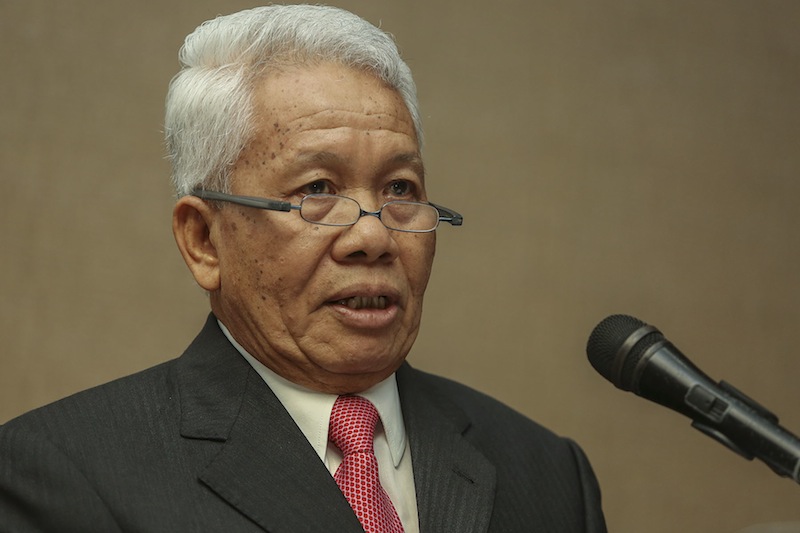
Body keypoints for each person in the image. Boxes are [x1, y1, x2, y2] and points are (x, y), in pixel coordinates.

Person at [0, 5, 607, 532]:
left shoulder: (546, 473)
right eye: (317, 189)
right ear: (204, 240)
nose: (373, 236)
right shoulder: (65, 470)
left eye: (400, 188)